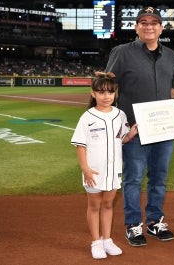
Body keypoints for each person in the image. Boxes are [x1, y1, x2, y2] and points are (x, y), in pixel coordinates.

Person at [105, 6, 174, 246]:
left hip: (164, 128)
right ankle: (133, 224)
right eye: (143, 22)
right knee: (134, 178)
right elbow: (107, 87)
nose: (149, 26)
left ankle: (155, 221)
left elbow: (172, 89)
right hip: (135, 129)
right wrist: (118, 126)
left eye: (154, 23)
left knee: (159, 177)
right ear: (136, 27)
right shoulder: (122, 52)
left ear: (161, 28)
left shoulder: (171, 56)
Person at [71, 72, 138, 259]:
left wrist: (132, 133)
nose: (106, 96)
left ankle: (107, 240)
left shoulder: (120, 114)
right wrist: (85, 169)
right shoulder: (87, 117)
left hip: (114, 169)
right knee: (94, 206)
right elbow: (80, 144)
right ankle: (96, 242)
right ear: (93, 94)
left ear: (115, 93)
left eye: (110, 92)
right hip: (94, 170)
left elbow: (122, 138)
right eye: (101, 92)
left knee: (108, 204)